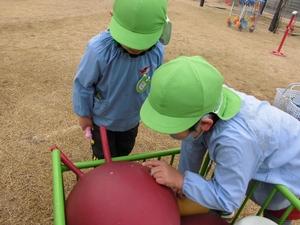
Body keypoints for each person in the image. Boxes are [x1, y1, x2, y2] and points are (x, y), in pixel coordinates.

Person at [141, 56, 300, 224]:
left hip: (291, 180)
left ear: (205, 123)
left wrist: (182, 180)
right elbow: (193, 142)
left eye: (172, 128)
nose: (166, 130)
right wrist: (182, 182)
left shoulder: (235, 141)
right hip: (263, 159)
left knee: (276, 216)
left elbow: (228, 198)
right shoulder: (206, 100)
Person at [72, 0, 170, 159]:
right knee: (103, 158)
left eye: (142, 41)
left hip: (132, 119)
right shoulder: (99, 50)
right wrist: (84, 115)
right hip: (102, 121)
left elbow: (154, 78)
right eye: (130, 39)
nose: (136, 48)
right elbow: (83, 85)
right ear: (112, 17)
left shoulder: (157, 50)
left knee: (124, 153)